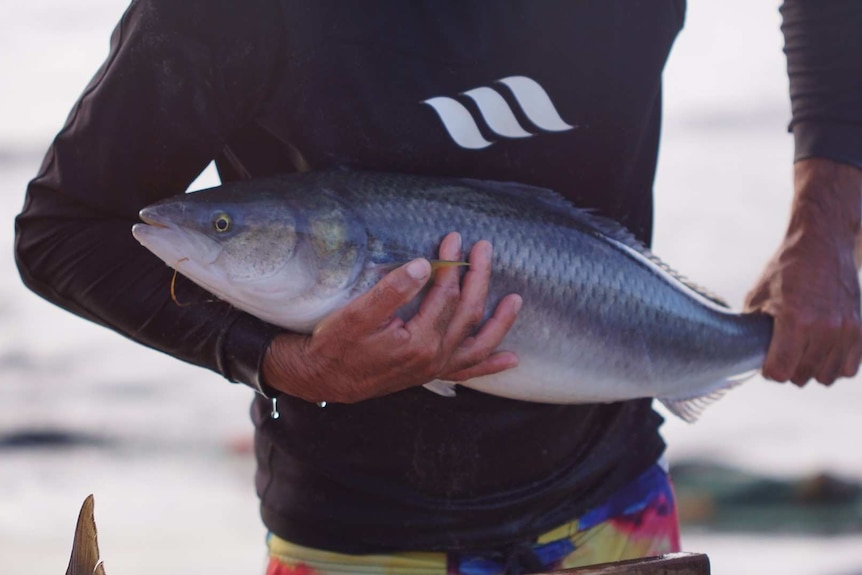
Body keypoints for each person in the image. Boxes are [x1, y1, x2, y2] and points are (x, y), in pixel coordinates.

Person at [14, 1, 862, 574]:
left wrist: (824, 215)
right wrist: (281, 361)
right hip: (352, 538)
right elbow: (61, 230)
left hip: (614, 505)